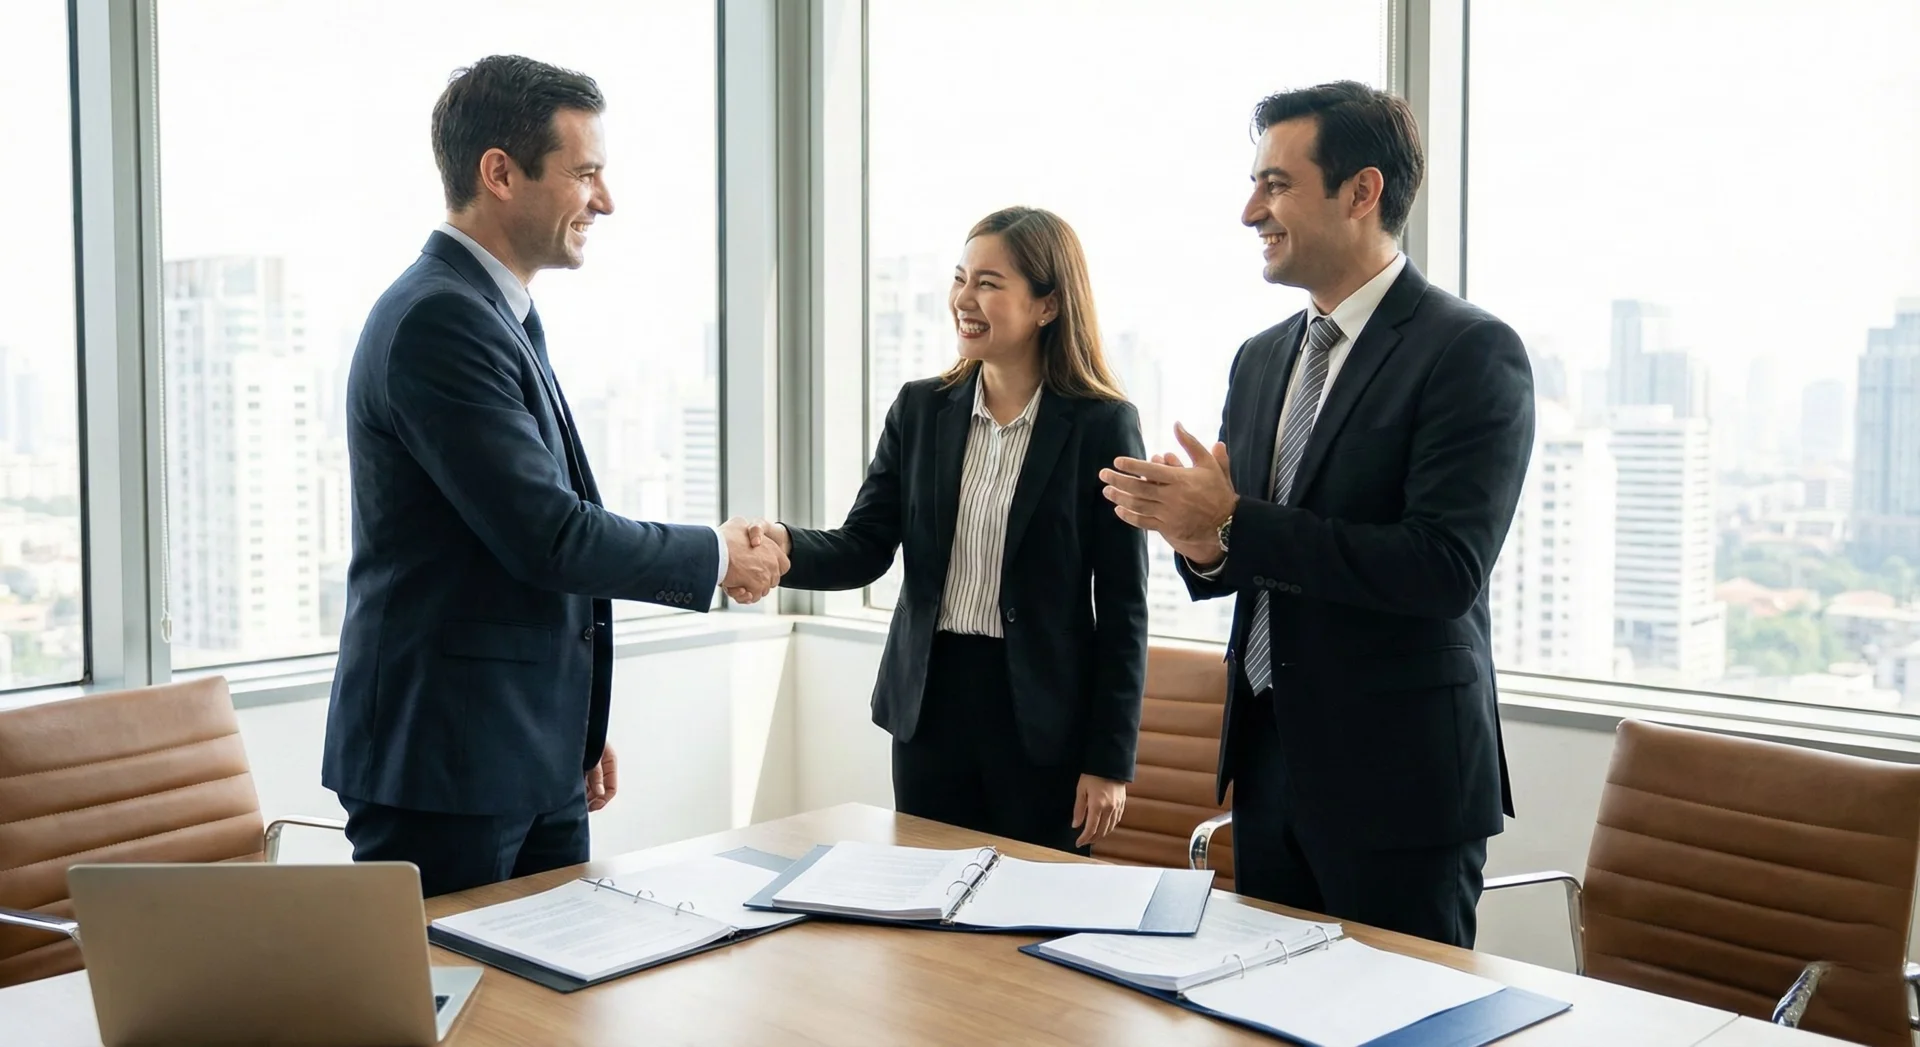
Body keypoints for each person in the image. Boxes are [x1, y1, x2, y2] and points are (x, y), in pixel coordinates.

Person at [321, 55, 787, 897]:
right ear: (499, 172)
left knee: (549, 1017)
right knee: (458, 1016)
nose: (604, 201)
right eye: (585, 173)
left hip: (520, 749)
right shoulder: (440, 320)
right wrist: (717, 554)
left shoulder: (492, 310)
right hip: (447, 766)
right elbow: (550, 534)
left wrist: (566, 726)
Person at [1099, 81, 1533, 947]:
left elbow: (1443, 570)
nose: (1249, 210)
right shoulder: (1261, 360)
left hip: (1401, 787)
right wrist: (1200, 539)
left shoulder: (1469, 351)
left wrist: (1238, 524)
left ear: (1362, 192)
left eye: (1276, 184)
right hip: (1267, 770)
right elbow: (1235, 556)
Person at [745, 207, 1148, 853]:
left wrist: (1110, 760)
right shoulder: (921, 408)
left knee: (1031, 908)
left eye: (989, 282)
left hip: (1040, 715)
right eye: (961, 278)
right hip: (931, 703)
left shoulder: (1102, 424)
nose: (963, 298)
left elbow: (1125, 606)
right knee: (925, 898)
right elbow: (865, 544)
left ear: (1047, 304)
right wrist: (787, 545)